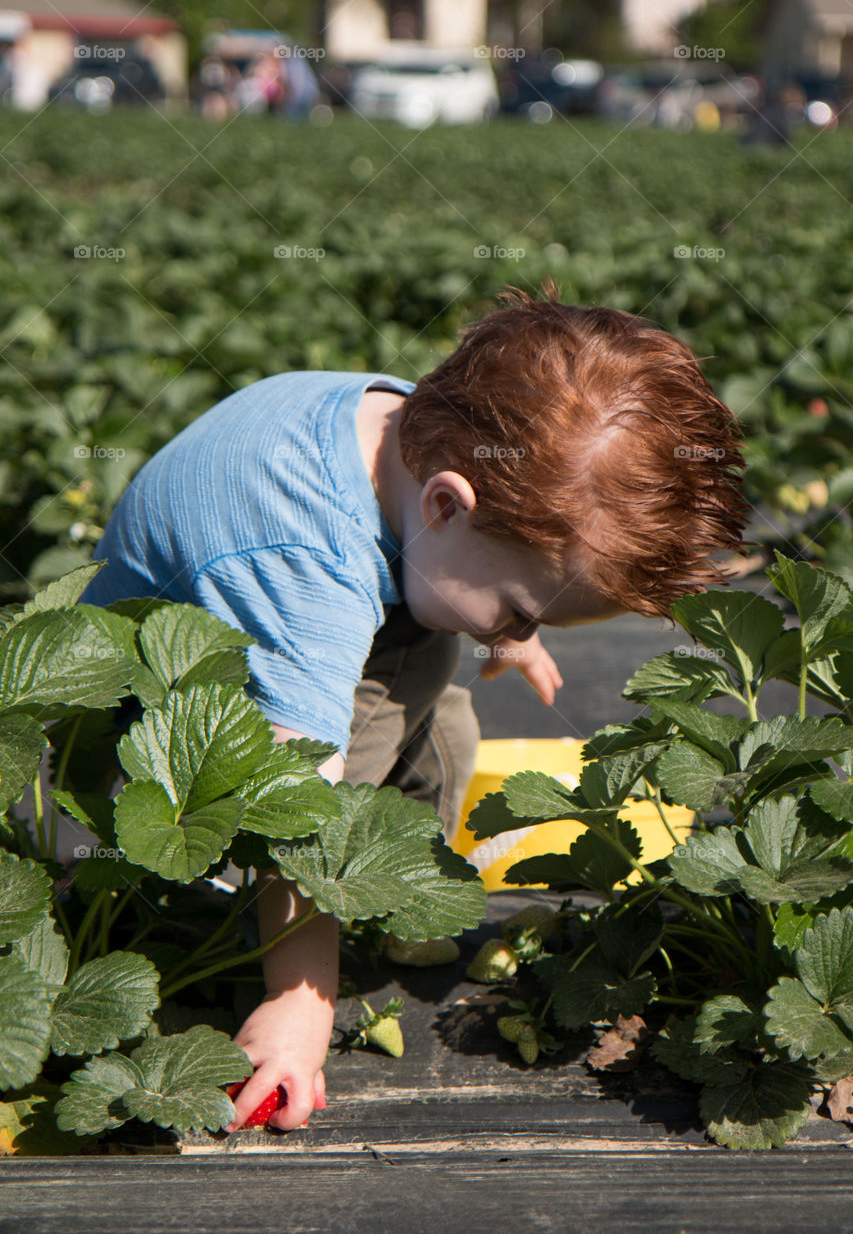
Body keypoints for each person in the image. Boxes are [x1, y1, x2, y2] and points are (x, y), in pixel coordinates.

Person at [77, 280, 750, 1131]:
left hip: (243, 620)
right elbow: (298, 809)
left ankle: (398, 878)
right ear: (445, 502)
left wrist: (509, 630)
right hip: (150, 740)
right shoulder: (308, 573)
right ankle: (237, 908)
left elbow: (469, 559)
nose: (518, 631)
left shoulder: (406, 423)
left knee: (447, 693)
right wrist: (301, 998)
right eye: (521, 611)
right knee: (387, 720)